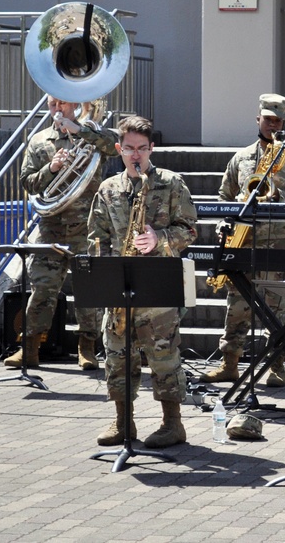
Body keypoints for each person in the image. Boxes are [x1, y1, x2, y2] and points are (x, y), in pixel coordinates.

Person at [88, 115, 198, 448]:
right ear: (119, 149)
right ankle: (124, 422)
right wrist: (102, 270)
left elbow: (190, 230)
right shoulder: (108, 189)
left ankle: (172, 424)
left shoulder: (171, 183)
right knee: (117, 354)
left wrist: (160, 238)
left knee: (163, 356)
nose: (136, 156)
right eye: (129, 149)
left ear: (152, 148)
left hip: (158, 283)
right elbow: (97, 236)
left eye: (142, 149)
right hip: (120, 283)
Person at [199, 93, 285, 387]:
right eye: (267, 119)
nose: (272, 125)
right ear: (258, 119)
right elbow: (224, 198)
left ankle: (276, 366)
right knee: (237, 305)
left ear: (284, 122)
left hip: (280, 244)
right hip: (243, 241)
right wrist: (225, 223)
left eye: (278, 121)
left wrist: (279, 195)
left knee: (276, 308)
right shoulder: (240, 158)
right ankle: (229, 364)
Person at [5, 96, 118, 371]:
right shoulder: (40, 140)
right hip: (51, 227)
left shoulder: (92, 134)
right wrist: (52, 168)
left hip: (87, 228)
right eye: (52, 104)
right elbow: (27, 183)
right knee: (42, 288)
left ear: (75, 105)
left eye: (63, 104)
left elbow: (113, 147)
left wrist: (79, 130)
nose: (57, 109)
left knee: (87, 291)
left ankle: (87, 349)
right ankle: (29, 348)